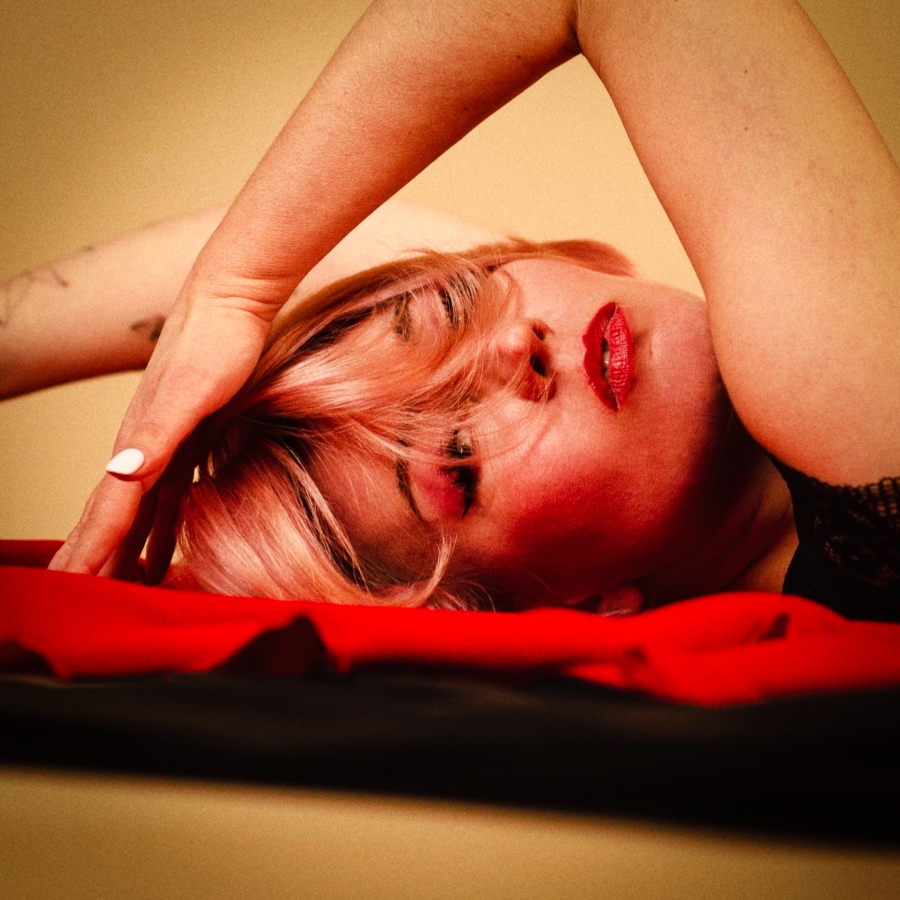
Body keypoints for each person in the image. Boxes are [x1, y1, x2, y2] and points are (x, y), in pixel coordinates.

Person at [28, 0, 900, 616]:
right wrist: (236, 288)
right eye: (460, 459)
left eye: (460, 308)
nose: (516, 350)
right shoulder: (840, 410)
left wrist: (231, 298)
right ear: (571, 607)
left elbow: (369, 249)